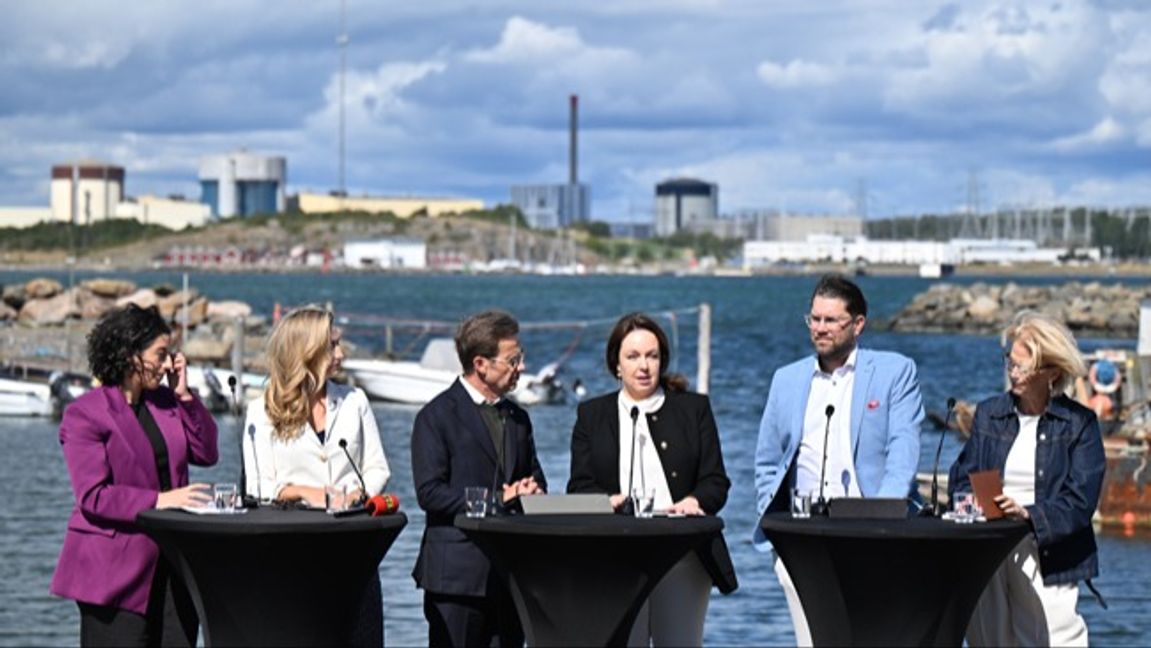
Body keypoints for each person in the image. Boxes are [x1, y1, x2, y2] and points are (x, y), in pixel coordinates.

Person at [753, 273, 924, 646]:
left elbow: (903, 449)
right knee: (812, 640)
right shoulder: (786, 379)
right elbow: (767, 460)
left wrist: (883, 518)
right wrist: (776, 519)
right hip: (801, 537)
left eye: (831, 320)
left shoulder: (895, 372)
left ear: (858, 324)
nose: (820, 328)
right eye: (814, 319)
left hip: (871, 532)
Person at [51, 304, 219, 647]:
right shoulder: (84, 414)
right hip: (113, 575)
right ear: (131, 354)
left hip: (173, 567)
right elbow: (94, 496)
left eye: (169, 354)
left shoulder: (167, 401)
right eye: (160, 354)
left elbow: (206, 453)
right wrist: (161, 500)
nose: (168, 363)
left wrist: (184, 396)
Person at [567, 312, 737, 646]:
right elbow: (578, 487)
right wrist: (607, 501)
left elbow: (716, 481)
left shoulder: (693, 409)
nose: (643, 366)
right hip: (617, 556)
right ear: (616, 364)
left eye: (652, 356)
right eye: (633, 356)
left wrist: (694, 501)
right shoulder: (592, 415)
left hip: (682, 553)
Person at [948, 311, 1104, 646]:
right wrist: (971, 503)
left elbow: (1080, 502)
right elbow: (962, 476)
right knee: (989, 641)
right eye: (1010, 362)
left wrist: (1029, 514)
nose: (1013, 373)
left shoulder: (1080, 424)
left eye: (1023, 366)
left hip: (1050, 553)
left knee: (1055, 640)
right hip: (990, 548)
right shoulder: (990, 412)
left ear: (1052, 372)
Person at [242, 306, 391, 646]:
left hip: (353, 546)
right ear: (306, 352)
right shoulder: (261, 410)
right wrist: (305, 492)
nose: (340, 355)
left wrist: (356, 495)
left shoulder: (355, 400)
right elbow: (258, 487)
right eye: (332, 346)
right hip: (294, 552)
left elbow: (378, 467)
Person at [411, 310, 547, 647]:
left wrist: (533, 491)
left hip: (510, 575)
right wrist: (498, 499)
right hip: (456, 577)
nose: (521, 367)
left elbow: (535, 476)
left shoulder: (518, 418)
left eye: (521, 358)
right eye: (512, 360)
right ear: (481, 364)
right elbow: (430, 493)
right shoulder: (436, 416)